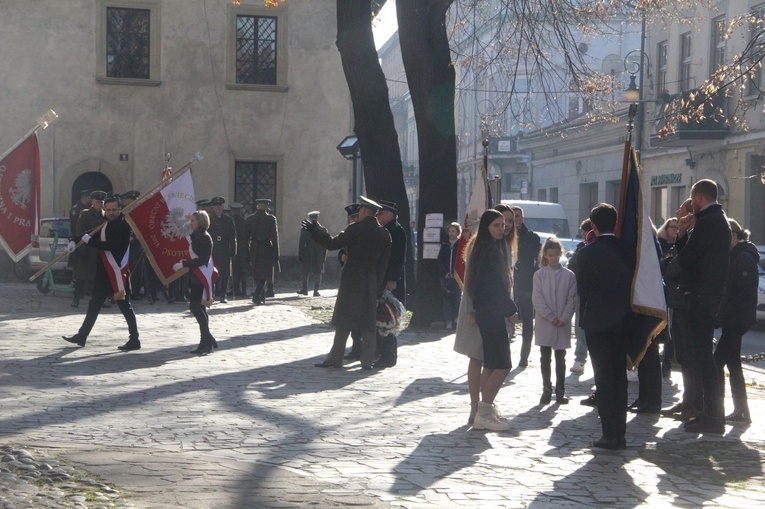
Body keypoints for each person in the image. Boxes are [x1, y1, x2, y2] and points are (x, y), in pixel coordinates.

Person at [304, 196, 391, 370]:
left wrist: (315, 230)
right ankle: (367, 360)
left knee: (344, 319)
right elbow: (384, 264)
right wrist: (379, 286)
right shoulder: (384, 234)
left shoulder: (355, 229)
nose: (358, 212)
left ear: (365, 211)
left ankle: (335, 358)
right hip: (371, 279)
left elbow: (332, 243)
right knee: (368, 321)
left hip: (353, 278)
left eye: (360, 210)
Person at [673, 179, 730, 434]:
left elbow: (685, 259)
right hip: (707, 295)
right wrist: (685, 235)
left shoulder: (708, 222)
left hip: (700, 296)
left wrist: (683, 233)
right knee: (703, 357)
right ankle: (711, 414)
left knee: (703, 358)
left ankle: (712, 416)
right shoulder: (718, 219)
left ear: (698, 198)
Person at [576, 203, 635, 450]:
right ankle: (619, 432)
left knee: (603, 378)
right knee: (619, 377)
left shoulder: (586, 254)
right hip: (623, 321)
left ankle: (609, 433)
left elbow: (583, 291)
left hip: (598, 322)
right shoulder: (628, 250)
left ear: (594, 226)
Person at [62, 197, 141, 351]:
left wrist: (89, 241)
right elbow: (90, 233)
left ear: (119, 210)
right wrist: (74, 240)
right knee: (94, 304)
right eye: (108, 210)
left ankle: (134, 339)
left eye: (114, 210)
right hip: (104, 273)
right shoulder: (105, 224)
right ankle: (82, 335)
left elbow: (110, 246)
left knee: (125, 307)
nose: (111, 213)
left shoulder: (123, 226)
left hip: (118, 272)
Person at [463, 209, 517, 431]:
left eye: (503, 225)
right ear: (486, 227)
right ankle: (484, 411)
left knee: (492, 363)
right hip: (491, 311)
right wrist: (511, 310)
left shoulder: (488, 248)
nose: (502, 229)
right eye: (496, 225)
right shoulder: (488, 250)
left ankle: (483, 412)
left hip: (487, 310)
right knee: (503, 365)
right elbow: (494, 286)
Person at [660, 199, 701, 422]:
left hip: (687, 305)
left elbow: (676, 265)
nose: (677, 213)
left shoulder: (697, 235)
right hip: (677, 303)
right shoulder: (686, 236)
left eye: (682, 212)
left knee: (690, 356)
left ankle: (694, 403)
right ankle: (687, 400)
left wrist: (670, 264)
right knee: (682, 356)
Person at [714, 219, 757, 424]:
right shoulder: (735, 255)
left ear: (733, 235)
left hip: (737, 319)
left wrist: (723, 312)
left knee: (716, 363)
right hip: (733, 319)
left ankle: (715, 409)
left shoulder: (744, 257)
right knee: (733, 364)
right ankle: (742, 411)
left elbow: (743, 293)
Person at [532, 237, 577, 405]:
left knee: (561, 358)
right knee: (545, 357)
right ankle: (546, 389)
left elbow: (571, 300)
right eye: (551, 255)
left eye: (557, 255)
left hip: (562, 324)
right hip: (545, 322)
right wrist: (551, 317)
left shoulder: (569, 275)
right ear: (545, 255)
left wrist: (564, 318)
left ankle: (560, 390)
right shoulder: (539, 275)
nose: (554, 259)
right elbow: (537, 299)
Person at [172, 210, 219, 355]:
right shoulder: (196, 235)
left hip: (201, 277)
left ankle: (206, 341)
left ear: (200, 222)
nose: (190, 223)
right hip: (195, 277)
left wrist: (184, 264)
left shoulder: (204, 237)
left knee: (196, 308)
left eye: (193, 221)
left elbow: (202, 260)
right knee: (199, 309)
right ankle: (206, 342)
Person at [375, 200, 407, 369]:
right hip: (383, 279)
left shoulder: (396, 231)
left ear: (391, 215)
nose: (378, 215)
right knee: (382, 320)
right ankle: (383, 354)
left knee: (387, 319)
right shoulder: (385, 230)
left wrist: (393, 279)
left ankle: (388, 357)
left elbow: (398, 258)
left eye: (381, 213)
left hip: (391, 282)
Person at [511, 205, 542, 367]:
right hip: (507, 284)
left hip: (526, 283)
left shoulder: (532, 237)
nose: (514, 220)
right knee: (504, 320)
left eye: (517, 216)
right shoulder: (503, 237)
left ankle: (524, 355)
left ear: (522, 218)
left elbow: (539, 260)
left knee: (527, 322)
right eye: (511, 217)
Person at [71, 190, 107, 308]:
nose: (100, 204)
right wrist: (82, 250)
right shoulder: (85, 214)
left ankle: (99, 300)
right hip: (88, 250)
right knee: (81, 277)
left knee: (100, 278)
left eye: (101, 202)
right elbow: (80, 232)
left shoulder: (105, 215)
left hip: (100, 250)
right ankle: (76, 298)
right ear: (92, 202)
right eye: (97, 202)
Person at [566, 218, 592, 375]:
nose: (582, 235)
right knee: (580, 327)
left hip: (596, 295)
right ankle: (580, 358)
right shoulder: (580, 249)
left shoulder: (595, 249)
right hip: (581, 293)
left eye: (584, 231)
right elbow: (571, 270)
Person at [656, 217, 680, 378]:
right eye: (673, 227)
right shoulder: (659, 244)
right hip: (659, 290)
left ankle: (667, 361)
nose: (675, 230)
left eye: (678, 228)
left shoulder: (679, 245)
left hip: (673, 291)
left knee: (670, 328)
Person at [244, 198, 280, 305]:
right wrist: (276, 253)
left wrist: (246, 252)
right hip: (266, 248)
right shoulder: (271, 219)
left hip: (254, 247)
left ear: (257, 206)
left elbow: (245, 238)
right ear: (266, 207)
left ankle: (261, 297)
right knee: (265, 273)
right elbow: (274, 237)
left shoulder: (249, 219)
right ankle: (257, 294)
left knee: (257, 273)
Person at [208, 196, 237, 303]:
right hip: (213, 249)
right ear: (213, 207)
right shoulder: (209, 219)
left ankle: (223, 295)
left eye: (220, 206)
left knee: (225, 273)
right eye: (216, 206)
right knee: (213, 272)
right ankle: (212, 294)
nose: (218, 208)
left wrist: (233, 250)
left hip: (225, 248)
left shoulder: (228, 220)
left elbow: (233, 236)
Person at [437, 222, 462, 330]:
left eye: (453, 231)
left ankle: (456, 319)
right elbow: (440, 260)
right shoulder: (444, 245)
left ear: (458, 232)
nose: (451, 233)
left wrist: (457, 272)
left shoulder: (461, 245)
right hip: (446, 276)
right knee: (447, 299)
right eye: (450, 231)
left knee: (457, 298)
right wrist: (445, 272)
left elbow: (462, 260)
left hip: (457, 276)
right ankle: (448, 321)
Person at [298, 211, 328, 296]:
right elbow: (325, 245)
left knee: (306, 271)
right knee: (317, 272)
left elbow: (301, 243)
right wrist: (324, 256)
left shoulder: (305, 229)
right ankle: (315, 290)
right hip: (317, 253)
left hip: (308, 252)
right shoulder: (323, 230)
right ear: (317, 218)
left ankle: (305, 289)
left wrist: (300, 254)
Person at [230, 202, 249, 298]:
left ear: (233, 211)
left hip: (235, 248)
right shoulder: (244, 221)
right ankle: (244, 290)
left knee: (235, 270)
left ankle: (235, 289)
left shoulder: (231, 221)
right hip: (243, 248)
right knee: (243, 271)